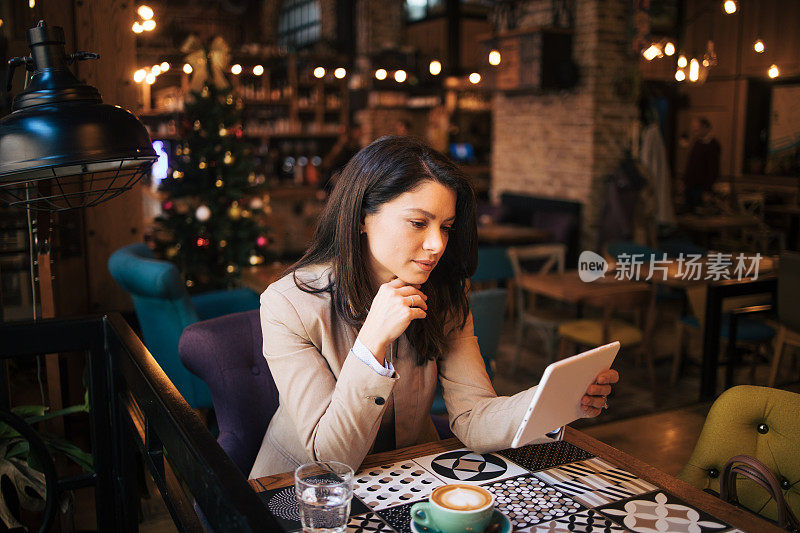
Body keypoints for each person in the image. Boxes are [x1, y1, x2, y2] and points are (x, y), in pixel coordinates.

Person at [249, 136, 619, 478]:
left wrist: (554, 403)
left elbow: (473, 416)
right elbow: (332, 460)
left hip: (406, 475)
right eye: (417, 222)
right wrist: (371, 343)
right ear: (363, 216)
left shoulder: (443, 294)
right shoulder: (288, 304)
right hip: (301, 488)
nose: (436, 245)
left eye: (446, 226)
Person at [682, 117, 721, 213]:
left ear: (705, 128)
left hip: (701, 188)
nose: (694, 130)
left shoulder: (713, 145)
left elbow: (713, 169)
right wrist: (684, 181)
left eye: (696, 128)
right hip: (690, 186)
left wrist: (707, 190)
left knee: (699, 213)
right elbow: (691, 165)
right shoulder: (697, 142)